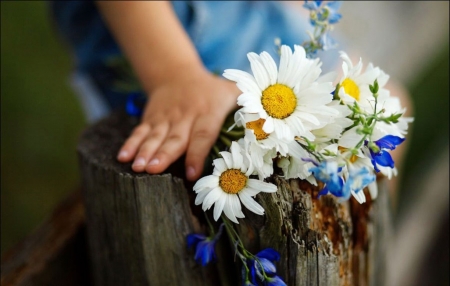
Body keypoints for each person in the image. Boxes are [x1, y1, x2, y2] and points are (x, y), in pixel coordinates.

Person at [50, 1, 412, 198]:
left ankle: (368, 257)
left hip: (255, 19)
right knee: (275, 183)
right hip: (160, 41)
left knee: (390, 106)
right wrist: (173, 74)